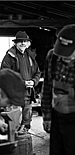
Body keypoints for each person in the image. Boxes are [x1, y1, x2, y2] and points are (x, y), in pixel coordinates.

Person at [41, 24, 75, 155]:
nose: (63, 56)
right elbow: (47, 87)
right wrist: (47, 116)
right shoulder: (52, 57)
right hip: (57, 117)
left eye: (68, 52)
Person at [0, 31, 41, 133]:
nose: (22, 43)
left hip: (28, 92)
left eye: (24, 41)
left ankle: (25, 139)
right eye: (20, 42)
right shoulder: (10, 56)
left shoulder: (30, 56)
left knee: (27, 118)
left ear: (27, 43)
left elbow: (38, 72)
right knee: (14, 118)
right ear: (15, 43)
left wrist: (33, 82)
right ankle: (14, 141)